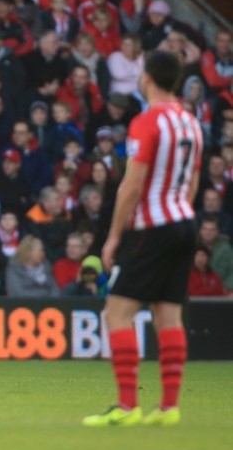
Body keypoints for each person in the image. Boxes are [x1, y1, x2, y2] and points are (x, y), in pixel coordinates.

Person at [83, 51, 204, 427]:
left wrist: (113, 236)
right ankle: (169, 408)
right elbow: (193, 182)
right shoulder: (191, 122)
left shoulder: (147, 122)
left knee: (117, 314)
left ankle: (126, 405)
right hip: (185, 221)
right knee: (169, 315)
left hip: (153, 226)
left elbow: (131, 185)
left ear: (147, 78)